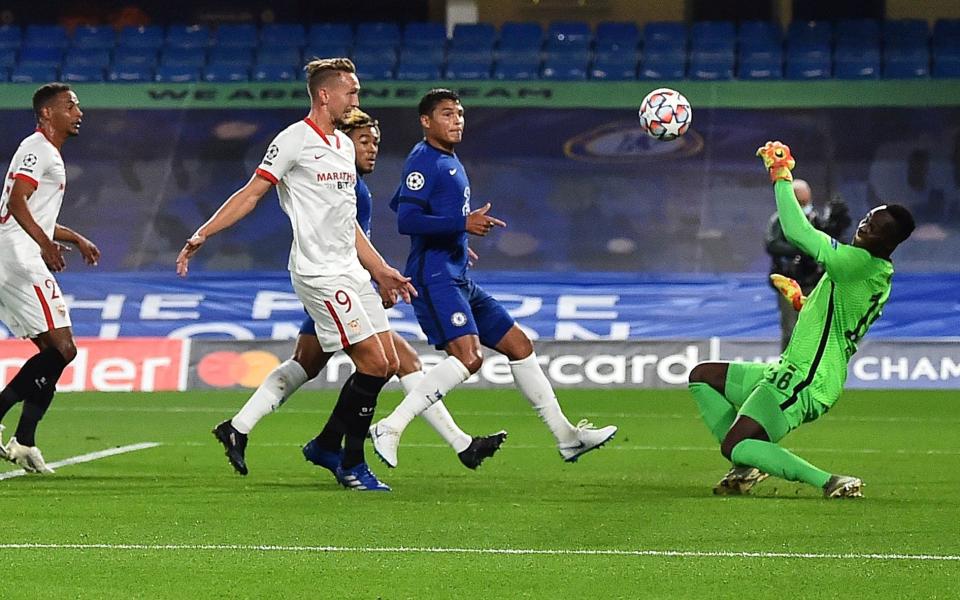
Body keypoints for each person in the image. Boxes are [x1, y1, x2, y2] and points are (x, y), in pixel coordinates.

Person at [212, 107, 506, 477]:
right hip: (332, 283)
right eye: (363, 141)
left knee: (308, 363)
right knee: (392, 362)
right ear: (341, 144)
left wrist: (386, 269)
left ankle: (239, 428)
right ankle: (347, 449)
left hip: (343, 281)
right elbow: (347, 237)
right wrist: (377, 275)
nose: (372, 150)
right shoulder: (343, 184)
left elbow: (369, 228)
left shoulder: (353, 186)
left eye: (376, 143)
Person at [176, 58, 415, 492]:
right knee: (375, 364)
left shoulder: (343, 147)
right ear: (325, 95)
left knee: (390, 363)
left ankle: (324, 445)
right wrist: (202, 234)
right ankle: (350, 463)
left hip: (351, 270)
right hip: (319, 274)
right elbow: (251, 193)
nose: (357, 99)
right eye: (352, 92)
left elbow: (350, 224)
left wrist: (382, 270)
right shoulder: (293, 140)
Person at [368, 88, 617, 468]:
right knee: (469, 359)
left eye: (460, 114)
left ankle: (567, 438)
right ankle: (391, 426)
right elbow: (405, 219)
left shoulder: (447, 159)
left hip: (455, 271)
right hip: (435, 277)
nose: (457, 121)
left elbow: (412, 210)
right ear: (425, 121)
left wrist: (456, 236)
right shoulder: (424, 160)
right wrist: (460, 224)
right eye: (448, 114)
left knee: (518, 344)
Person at [688, 141, 915, 499]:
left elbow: (797, 233)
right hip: (793, 369)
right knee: (703, 377)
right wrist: (802, 301)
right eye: (867, 219)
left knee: (734, 444)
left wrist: (780, 175)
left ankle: (829, 481)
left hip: (807, 378)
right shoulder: (871, 269)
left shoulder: (857, 263)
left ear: (889, 241)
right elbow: (839, 320)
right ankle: (746, 467)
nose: (864, 227)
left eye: (875, 227)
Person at [0, 83, 100, 474]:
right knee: (63, 349)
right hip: (20, 257)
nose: (79, 112)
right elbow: (16, 202)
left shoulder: (45, 152)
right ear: (47, 113)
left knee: (52, 355)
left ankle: (24, 441)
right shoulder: (36, 147)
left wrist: (73, 236)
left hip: (17, 254)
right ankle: (15, 426)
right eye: (71, 106)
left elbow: (31, 210)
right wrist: (44, 245)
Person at [765, 179, 851, 350]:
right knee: (791, 328)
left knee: (817, 327)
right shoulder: (780, 220)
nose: (805, 202)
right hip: (790, 282)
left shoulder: (815, 219)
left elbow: (831, 242)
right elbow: (772, 244)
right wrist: (800, 250)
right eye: (800, 199)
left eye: (806, 198)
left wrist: (838, 221)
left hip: (815, 281)